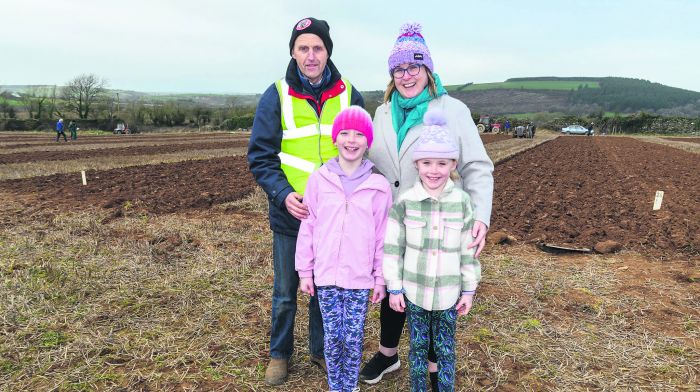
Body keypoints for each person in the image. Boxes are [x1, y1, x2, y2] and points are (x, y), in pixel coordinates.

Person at [362, 22, 494, 390]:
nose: (406, 76)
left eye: (414, 67)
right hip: (392, 217)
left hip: (438, 218)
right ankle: (388, 354)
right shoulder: (383, 112)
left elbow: (477, 167)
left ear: (428, 70)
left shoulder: (452, 110)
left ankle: (434, 367)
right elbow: (371, 162)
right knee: (394, 283)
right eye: (399, 69)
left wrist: (479, 217)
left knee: (433, 291)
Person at [246, 17, 365, 386]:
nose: (311, 56)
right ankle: (279, 355)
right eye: (303, 48)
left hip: (333, 218)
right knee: (285, 291)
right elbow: (261, 156)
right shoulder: (277, 94)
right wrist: (284, 196)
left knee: (324, 289)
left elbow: (361, 148)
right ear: (293, 52)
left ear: (328, 51)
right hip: (290, 214)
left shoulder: (349, 95)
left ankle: (320, 350)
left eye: (318, 48)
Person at [383, 109, 481, 391]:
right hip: (414, 293)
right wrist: (395, 287)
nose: (434, 170)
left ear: (453, 164)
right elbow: (393, 249)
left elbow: (467, 250)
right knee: (417, 348)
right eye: (427, 162)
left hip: (449, 295)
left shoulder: (462, 202)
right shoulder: (405, 202)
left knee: (445, 349)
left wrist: (469, 289)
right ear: (417, 164)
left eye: (442, 163)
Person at [296, 106, 391, 392]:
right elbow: (309, 226)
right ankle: (336, 386)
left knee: (352, 338)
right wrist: (305, 271)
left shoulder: (379, 186)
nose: (352, 139)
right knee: (332, 338)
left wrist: (380, 278)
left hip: (359, 279)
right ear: (335, 139)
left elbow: (382, 236)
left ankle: (349, 386)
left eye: (360, 134)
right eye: (345, 133)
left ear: (368, 141)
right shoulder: (319, 179)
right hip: (325, 276)